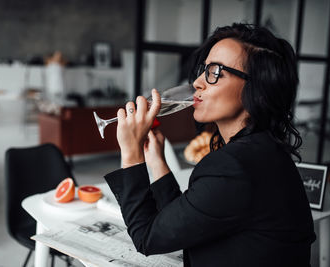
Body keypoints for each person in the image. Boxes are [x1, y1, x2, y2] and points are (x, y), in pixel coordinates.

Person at [104, 23, 316, 267]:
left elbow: (148, 238)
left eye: (214, 72)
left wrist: (131, 154)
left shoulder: (233, 167)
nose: (197, 82)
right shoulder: (264, 152)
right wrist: (157, 162)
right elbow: (183, 221)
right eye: (203, 70)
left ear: (256, 88)